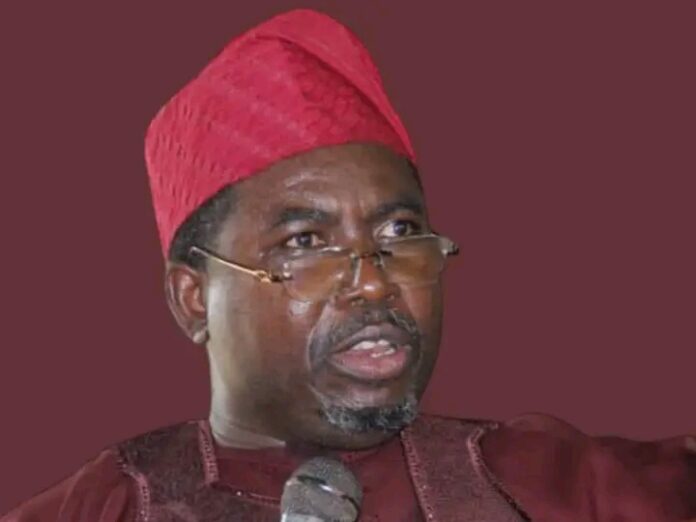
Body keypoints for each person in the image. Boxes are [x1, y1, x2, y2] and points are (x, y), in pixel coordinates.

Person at [3, 9, 693, 522]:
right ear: (193, 298)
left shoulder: (556, 485)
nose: (373, 278)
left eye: (400, 231)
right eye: (306, 242)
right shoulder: (107, 507)